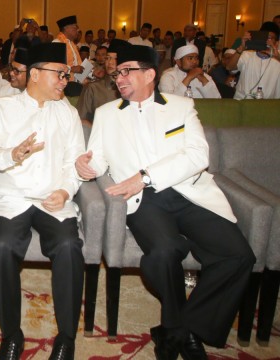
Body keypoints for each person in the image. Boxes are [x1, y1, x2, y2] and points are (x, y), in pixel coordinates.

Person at [75, 45, 255, 360]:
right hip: (144, 201)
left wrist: (145, 174)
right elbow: (100, 159)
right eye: (119, 72)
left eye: (128, 70)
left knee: (239, 256)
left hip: (190, 192)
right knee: (164, 251)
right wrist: (86, 165)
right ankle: (184, 335)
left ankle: (177, 330)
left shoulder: (182, 107)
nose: (120, 77)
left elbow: (199, 156)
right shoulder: (106, 114)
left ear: (150, 74)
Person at [0, 42, 85, 360]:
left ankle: (66, 338)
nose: (65, 80)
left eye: (66, 75)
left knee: (68, 247)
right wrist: (13, 153)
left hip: (53, 197)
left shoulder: (68, 113)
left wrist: (65, 191)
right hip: (11, 195)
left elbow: (74, 162)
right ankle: (11, 335)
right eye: (60, 74)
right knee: (1, 249)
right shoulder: (1, 108)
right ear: (35, 74)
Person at [75, 39, 128, 125]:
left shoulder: (132, 89)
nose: (110, 62)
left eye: (115, 59)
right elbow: (79, 120)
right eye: (108, 58)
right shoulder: (93, 86)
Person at [227, 23, 280, 99]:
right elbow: (229, 68)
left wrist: (277, 56)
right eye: (264, 37)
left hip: (269, 105)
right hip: (243, 101)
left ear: (277, 43)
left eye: (270, 38)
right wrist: (240, 49)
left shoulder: (278, 58)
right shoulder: (247, 55)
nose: (266, 41)